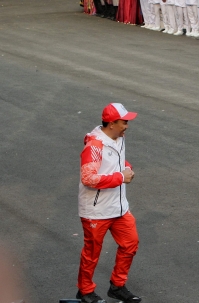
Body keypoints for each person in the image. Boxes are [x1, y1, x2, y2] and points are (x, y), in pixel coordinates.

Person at [77, 103, 141, 303]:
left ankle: (117, 286)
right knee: (92, 253)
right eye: (124, 122)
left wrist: (126, 167)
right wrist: (121, 177)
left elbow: (118, 161)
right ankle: (85, 291)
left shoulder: (118, 137)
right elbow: (89, 178)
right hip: (96, 211)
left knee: (130, 244)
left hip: (119, 207)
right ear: (111, 123)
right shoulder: (94, 146)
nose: (127, 126)